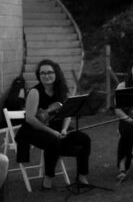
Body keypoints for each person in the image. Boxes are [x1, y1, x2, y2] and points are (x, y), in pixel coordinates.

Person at [15, 59, 92, 190]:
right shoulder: (35, 92)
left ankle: (82, 176)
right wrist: (53, 133)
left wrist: (64, 129)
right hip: (32, 129)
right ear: (39, 75)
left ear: (56, 73)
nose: (46, 75)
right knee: (53, 141)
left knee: (84, 139)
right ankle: (48, 179)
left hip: (56, 127)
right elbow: (30, 119)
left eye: (49, 72)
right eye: (42, 73)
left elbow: (67, 113)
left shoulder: (61, 91)